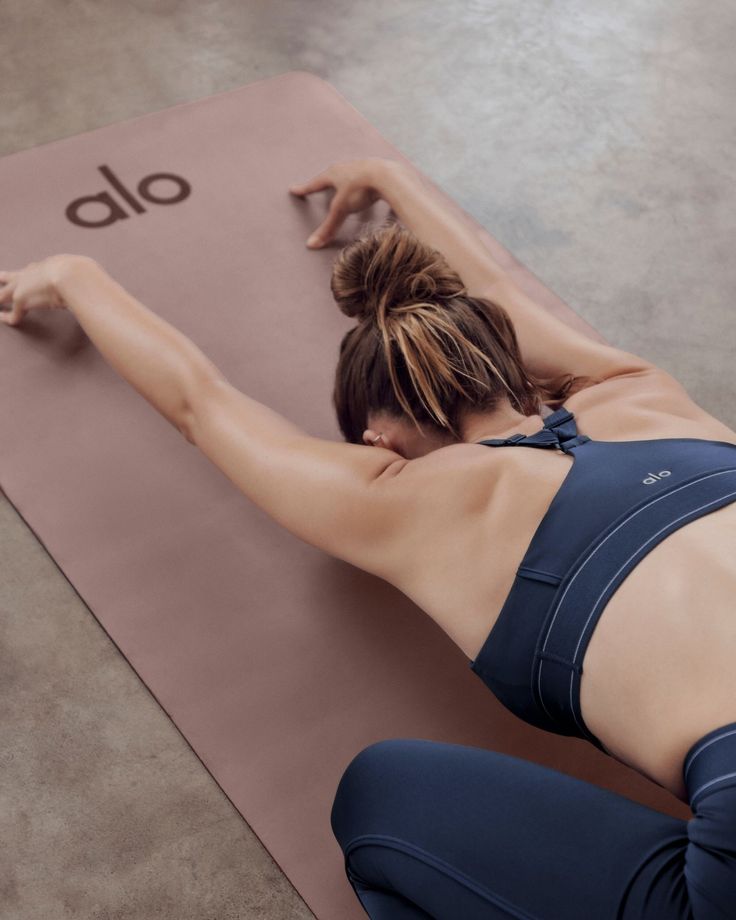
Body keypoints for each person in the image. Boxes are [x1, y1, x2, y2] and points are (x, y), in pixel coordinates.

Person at [2, 157, 735, 918]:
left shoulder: (408, 500)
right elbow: (502, 299)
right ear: (507, 363)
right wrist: (393, 179)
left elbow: (200, 404)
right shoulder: (647, 398)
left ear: (378, 437)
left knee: (378, 796)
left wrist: (76, 275)